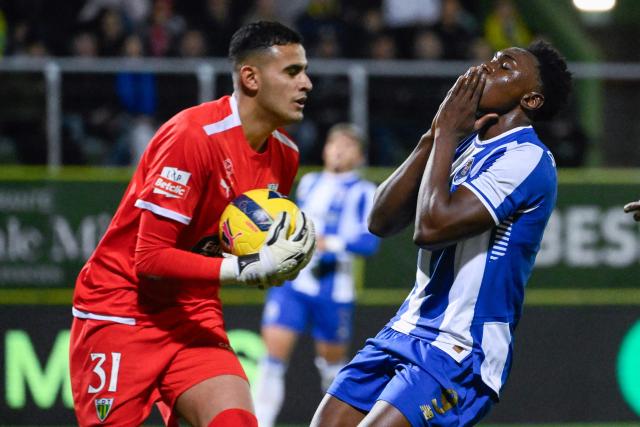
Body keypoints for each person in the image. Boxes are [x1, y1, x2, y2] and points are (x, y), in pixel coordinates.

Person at [311, 39, 572, 426]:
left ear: (531, 100)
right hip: (405, 328)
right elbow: (380, 221)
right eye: (493, 58)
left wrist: (448, 133)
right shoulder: (462, 143)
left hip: (461, 347)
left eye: (505, 66)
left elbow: (431, 227)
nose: (488, 67)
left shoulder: (526, 157)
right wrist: (434, 135)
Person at [69, 21, 315, 427]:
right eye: (292, 72)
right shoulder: (192, 136)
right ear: (250, 78)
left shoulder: (286, 154)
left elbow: (237, 245)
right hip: (122, 310)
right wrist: (245, 268)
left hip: (193, 313)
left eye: (305, 71)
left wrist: (273, 263)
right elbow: (148, 259)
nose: (306, 84)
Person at [253, 123, 381, 427]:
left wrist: (328, 244)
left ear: (360, 156)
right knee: (270, 363)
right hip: (294, 284)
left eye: (348, 145)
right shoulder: (309, 182)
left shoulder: (366, 192)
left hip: (333, 291)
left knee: (332, 370)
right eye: (334, 142)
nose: (338, 149)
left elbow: (369, 242)